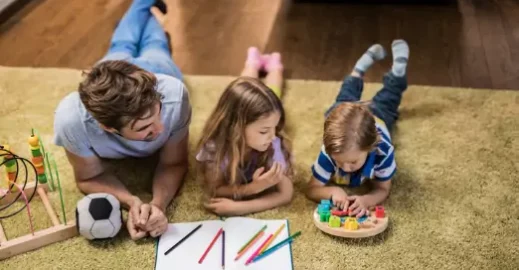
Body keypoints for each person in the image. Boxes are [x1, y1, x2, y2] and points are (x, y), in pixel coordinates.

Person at [53, 0, 190, 240]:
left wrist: (159, 204)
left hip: (157, 69)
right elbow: (88, 177)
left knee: (155, 45)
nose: (161, 128)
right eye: (145, 128)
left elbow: (174, 163)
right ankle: (145, 12)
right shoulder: (71, 121)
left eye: (158, 112)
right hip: (109, 72)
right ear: (106, 127)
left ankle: (142, 7)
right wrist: (131, 201)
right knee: (122, 43)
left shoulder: (173, 95)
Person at [305, 40, 410, 218]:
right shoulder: (331, 150)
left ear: (370, 147)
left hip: (378, 116)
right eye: (339, 162)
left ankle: (397, 73)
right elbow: (312, 189)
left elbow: (383, 188)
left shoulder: (383, 151)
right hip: (344, 112)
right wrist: (334, 192)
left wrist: (367, 200)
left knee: (388, 100)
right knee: (345, 96)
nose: (345, 167)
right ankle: (359, 68)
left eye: (353, 162)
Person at [195, 47, 293, 216]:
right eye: (264, 132)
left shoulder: (272, 141)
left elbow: (286, 194)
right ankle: (253, 61)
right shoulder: (214, 149)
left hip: (262, 110)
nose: (273, 137)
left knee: (273, 91)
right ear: (236, 129)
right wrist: (252, 188)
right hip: (245, 111)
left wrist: (240, 207)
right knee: (245, 83)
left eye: (275, 128)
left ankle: (275, 65)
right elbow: (215, 188)